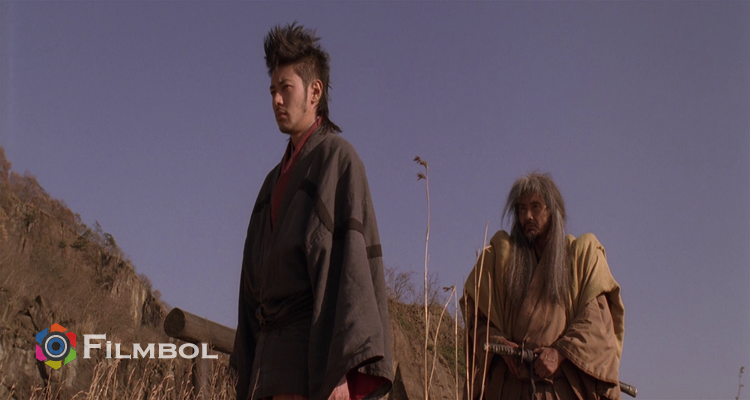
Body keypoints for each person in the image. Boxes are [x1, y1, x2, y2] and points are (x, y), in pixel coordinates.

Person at [231, 23, 392, 400]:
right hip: (266, 365)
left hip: (309, 361)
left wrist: (343, 371)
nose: (276, 100)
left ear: (314, 91)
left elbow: (352, 271)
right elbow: (250, 284)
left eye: (286, 88)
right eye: (272, 90)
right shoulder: (270, 183)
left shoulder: (337, 158)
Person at [461, 173, 624, 400]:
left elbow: (596, 324)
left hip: (557, 390)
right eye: (522, 209)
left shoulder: (580, 257)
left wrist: (560, 353)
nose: (527, 216)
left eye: (536, 207)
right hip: (508, 389)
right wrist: (498, 343)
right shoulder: (499, 259)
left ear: (552, 210)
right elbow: (478, 321)